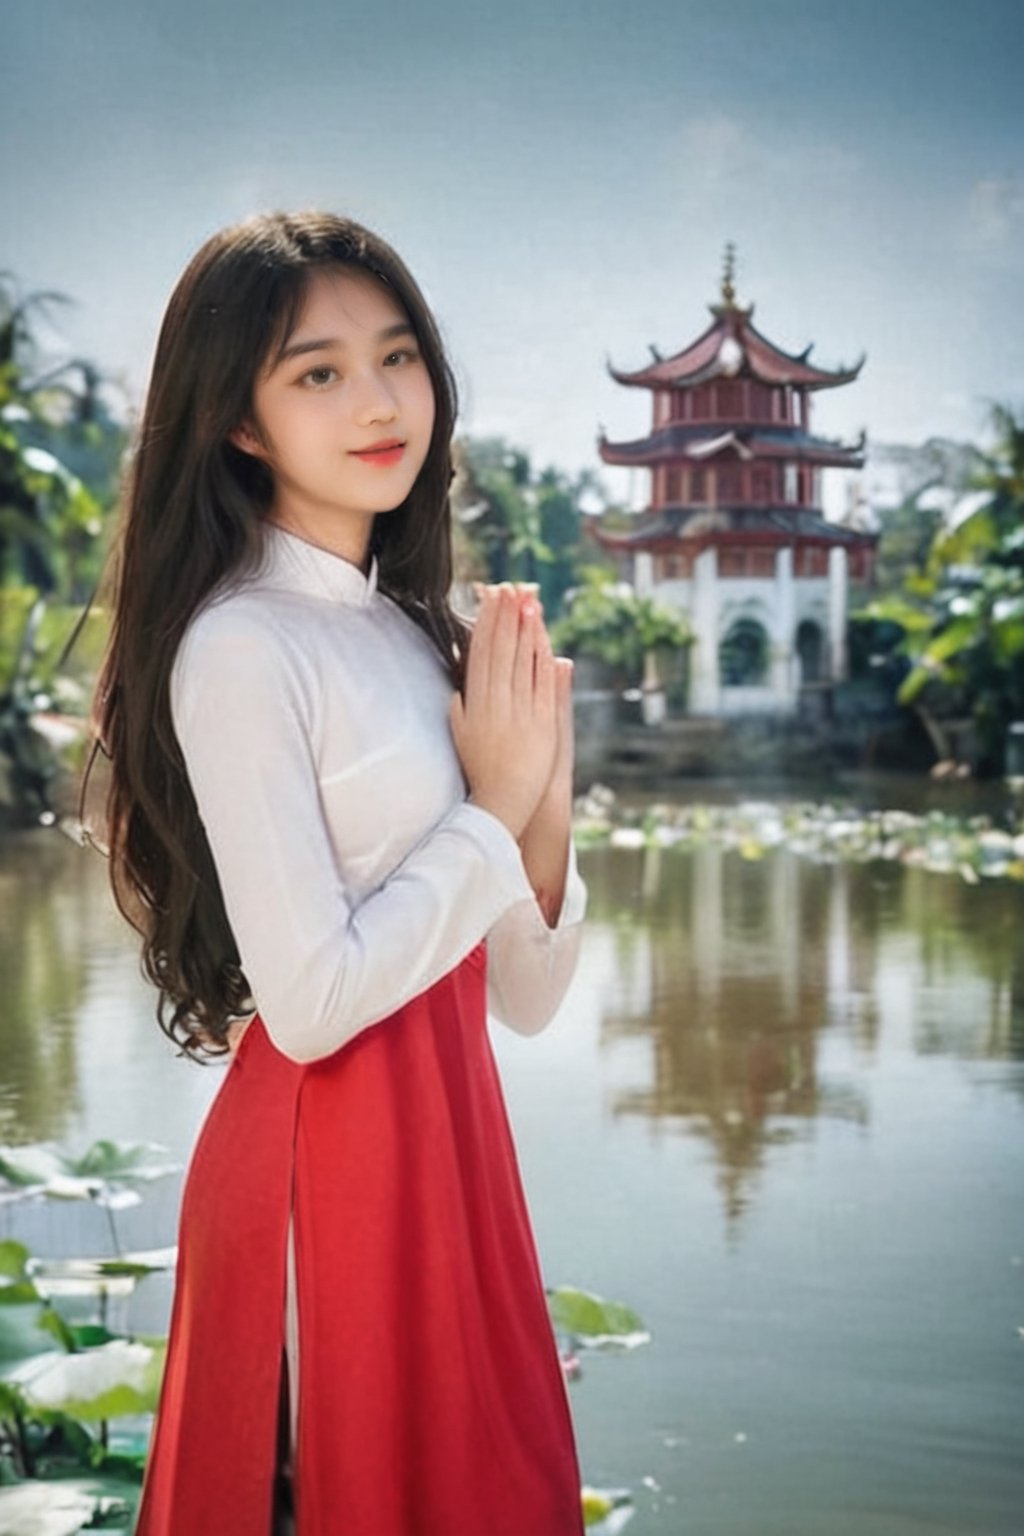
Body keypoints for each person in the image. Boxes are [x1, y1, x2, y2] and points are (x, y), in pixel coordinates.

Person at [82, 209, 588, 1535]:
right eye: (318, 371)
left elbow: (523, 1000)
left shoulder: (426, 639)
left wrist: (544, 800)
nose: (378, 401)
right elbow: (307, 1008)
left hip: (454, 1135)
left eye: (399, 356)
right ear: (239, 423)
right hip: (328, 1163)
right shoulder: (244, 644)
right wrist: (490, 804)